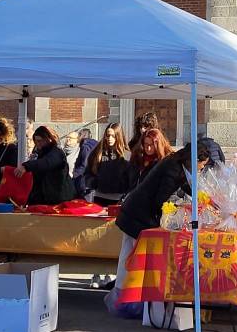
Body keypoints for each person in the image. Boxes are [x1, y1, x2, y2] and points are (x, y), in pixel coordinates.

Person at [111, 144, 210, 309]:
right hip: (140, 216)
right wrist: (176, 209)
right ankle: (133, 301)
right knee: (136, 260)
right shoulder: (173, 169)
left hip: (133, 212)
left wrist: (200, 197)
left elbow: (185, 186)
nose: (202, 168)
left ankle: (123, 296)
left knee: (126, 257)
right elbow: (161, 200)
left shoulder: (175, 163)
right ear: (194, 160)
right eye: (202, 164)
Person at [16, 125, 76, 206]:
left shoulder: (56, 153)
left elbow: (46, 163)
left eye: (40, 141)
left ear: (48, 139)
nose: (37, 144)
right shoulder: (39, 153)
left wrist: (26, 166)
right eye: (36, 141)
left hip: (57, 198)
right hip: (42, 198)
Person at [85, 122, 131, 205]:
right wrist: (94, 183)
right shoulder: (97, 152)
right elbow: (88, 172)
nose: (109, 138)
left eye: (113, 136)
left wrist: (125, 196)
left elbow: (131, 179)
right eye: (108, 135)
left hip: (118, 199)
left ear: (118, 136)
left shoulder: (126, 155)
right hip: (99, 197)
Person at [70, 129, 98, 198]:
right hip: (91, 181)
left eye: (79, 135)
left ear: (82, 135)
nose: (77, 138)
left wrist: (74, 175)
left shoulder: (85, 146)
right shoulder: (95, 144)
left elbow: (84, 164)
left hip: (85, 182)